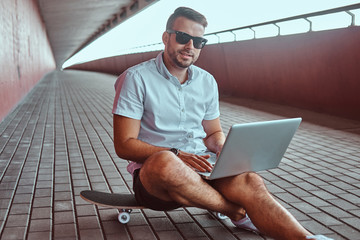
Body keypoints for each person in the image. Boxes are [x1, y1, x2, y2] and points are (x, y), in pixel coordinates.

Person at [112, 7, 333, 240]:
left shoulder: (207, 82)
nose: (190, 46)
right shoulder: (135, 79)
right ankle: (235, 211)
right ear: (166, 37)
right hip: (156, 179)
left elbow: (213, 132)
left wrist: (223, 147)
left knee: (250, 180)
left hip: (204, 167)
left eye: (198, 42)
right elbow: (124, 145)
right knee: (166, 162)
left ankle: (308, 238)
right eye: (184, 37)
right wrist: (175, 153)